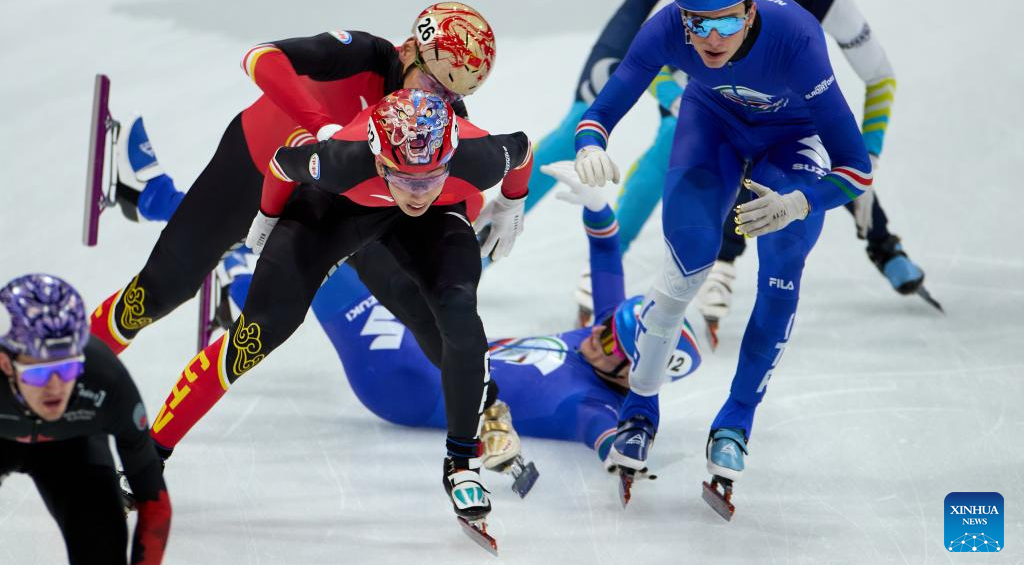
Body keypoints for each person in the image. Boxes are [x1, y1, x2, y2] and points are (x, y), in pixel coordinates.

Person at [147, 88, 531, 544]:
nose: (418, 192)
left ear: (450, 158)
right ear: (379, 161)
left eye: (430, 177)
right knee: (255, 335)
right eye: (405, 179)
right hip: (338, 207)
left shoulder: (476, 156)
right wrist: (268, 214)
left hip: (434, 221)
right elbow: (280, 163)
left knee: (459, 315)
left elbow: (523, 149)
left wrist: (512, 201)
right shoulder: (340, 160)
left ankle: (461, 463)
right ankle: (151, 453)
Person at [573, 0, 871, 514]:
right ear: (681, 18)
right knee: (685, 266)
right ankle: (639, 407)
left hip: (794, 140)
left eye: (727, 21)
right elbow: (603, 109)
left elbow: (855, 167)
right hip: (712, 122)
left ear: (751, 10)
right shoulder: (667, 29)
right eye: (698, 23)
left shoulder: (796, 38)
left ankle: (736, 419)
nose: (712, 37)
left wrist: (801, 203)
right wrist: (591, 143)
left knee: (782, 261)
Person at [90, 3, 497, 369]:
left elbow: (455, 188)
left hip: (334, 203)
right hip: (256, 166)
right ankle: (74, 366)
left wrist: (477, 213)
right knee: (160, 291)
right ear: (408, 50)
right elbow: (260, 57)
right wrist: (321, 126)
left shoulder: (443, 117)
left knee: (412, 300)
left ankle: (485, 407)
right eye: (434, 84)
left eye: (454, 94)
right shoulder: (364, 55)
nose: (440, 100)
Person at [220, 162, 703, 467]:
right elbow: (606, 260)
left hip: (403, 377)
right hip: (427, 341)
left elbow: (606, 437)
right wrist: (599, 210)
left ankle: (221, 254)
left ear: (634, 375)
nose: (598, 333)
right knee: (336, 245)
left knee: (311, 268)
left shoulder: (592, 406)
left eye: (614, 342)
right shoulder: (605, 339)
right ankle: (229, 250)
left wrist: (623, 455)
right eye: (609, 324)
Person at [525, 0, 824, 322]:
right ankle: (475, 243)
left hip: (731, 15)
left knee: (691, 134)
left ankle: (695, 260)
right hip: (673, 4)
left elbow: (855, 92)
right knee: (577, 125)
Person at [694, 0, 938, 338]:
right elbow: (656, 63)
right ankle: (723, 261)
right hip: (722, 89)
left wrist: (869, 157)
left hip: (788, 90)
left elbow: (879, 75)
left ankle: (882, 242)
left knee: (824, 151)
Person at [0, 274, 171, 565]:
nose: (55, 387)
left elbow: (155, 506)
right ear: (6, 364)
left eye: (67, 369)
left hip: (72, 448)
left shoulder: (106, 379)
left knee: (102, 555)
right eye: (40, 373)